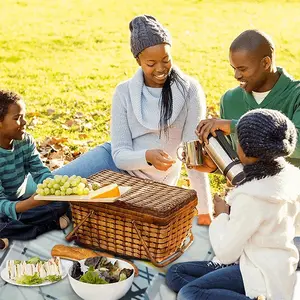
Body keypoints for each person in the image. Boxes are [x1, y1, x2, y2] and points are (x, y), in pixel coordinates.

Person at [52, 15, 214, 225]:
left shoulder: (190, 90)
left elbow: (193, 156)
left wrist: (204, 210)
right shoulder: (124, 92)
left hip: (148, 186)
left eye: (166, 60)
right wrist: (147, 156)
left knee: (77, 209)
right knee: (48, 188)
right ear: (138, 60)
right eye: (151, 63)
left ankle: (59, 216)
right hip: (112, 163)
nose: (160, 69)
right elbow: (119, 155)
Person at [166, 108, 300, 300]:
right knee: (176, 273)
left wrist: (222, 215)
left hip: (259, 274)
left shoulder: (251, 197)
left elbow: (226, 252)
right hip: (275, 266)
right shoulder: (291, 177)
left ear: (244, 150)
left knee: (189, 293)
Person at [196, 29, 300, 168]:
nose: (236, 75)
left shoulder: (296, 95)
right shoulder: (230, 100)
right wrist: (214, 166)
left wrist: (235, 126)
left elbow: (297, 144)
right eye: (234, 68)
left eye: (242, 69)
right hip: (248, 188)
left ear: (265, 63)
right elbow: (237, 160)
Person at [0, 90, 70, 245]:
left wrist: (53, 189)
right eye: (17, 118)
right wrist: (32, 203)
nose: (24, 122)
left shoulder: (25, 141)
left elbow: (40, 171)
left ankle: (11, 231)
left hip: (20, 202)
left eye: (24, 116)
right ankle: (49, 224)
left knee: (63, 203)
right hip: (6, 206)